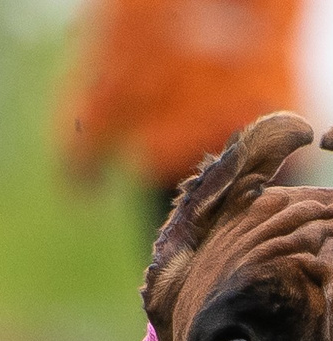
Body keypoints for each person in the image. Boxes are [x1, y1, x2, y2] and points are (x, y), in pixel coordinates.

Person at [58, 0, 303, 240]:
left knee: (188, 265)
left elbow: (121, 74)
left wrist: (86, 140)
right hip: (263, 151)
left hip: (185, 168)